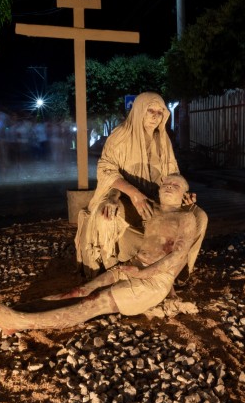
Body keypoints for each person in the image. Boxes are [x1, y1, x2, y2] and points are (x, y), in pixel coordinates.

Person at [0, 174, 198, 334]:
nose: (169, 187)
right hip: (131, 267)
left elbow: (177, 256)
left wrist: (143, 274)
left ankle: (19, 320)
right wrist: (113, 197)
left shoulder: (186, 218)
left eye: (175, 185)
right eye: (166, 184)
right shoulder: (151, 209)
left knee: (93, 303)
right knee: (81, 291)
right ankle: (16, 311)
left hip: (152, 281)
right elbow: (114, 180)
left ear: (184, 193)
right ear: (159, 190)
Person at [74, 92, 208, 281]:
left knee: (199, 215)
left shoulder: (162, 139)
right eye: (150, 111)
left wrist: (181, 192)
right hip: (123, 197)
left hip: (157, 200)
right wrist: (134, 194)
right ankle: (108, 273)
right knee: (106, 217)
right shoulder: (121, 135)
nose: (155, 116)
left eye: (159, 112)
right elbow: (106, 170)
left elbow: (172, 173)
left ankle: (179, 269)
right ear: (138, 111)